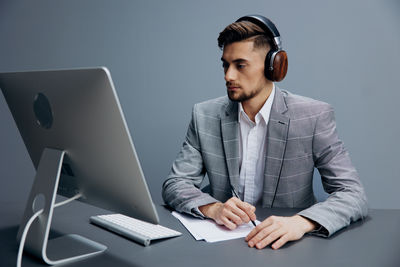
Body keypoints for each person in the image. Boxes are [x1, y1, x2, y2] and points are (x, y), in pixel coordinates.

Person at [162, 15, 368, 250]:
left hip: (289, 247)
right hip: (222, 246)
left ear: (274, 66)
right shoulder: (204, 115)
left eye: (240, 65)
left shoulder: (313, 116)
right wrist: (213, 208)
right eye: (225, 65)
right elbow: (176, 183)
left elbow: (353, 194)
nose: (228, 76)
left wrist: (301, 223)